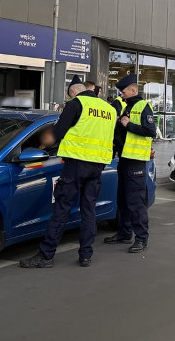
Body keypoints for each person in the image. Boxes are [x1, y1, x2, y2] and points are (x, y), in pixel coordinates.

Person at [20, 81, 116, 269]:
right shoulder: (109, 109)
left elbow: (58, 132)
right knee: (89, 209)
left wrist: (42, 144)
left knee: (62, 208)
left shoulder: (76, 104)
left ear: (73, 92)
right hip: (98, 165)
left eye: (69, 95)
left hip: (76, 164)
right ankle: (86, 255)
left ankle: (46, 255)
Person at [105, 74, 155, 252]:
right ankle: (124, 233)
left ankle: (141, 238)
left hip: (136, 161)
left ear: (133, 90)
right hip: (124, 159)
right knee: (123, 199)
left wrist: (128, 125)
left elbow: (151, 131)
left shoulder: (143, 106)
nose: (121, 94)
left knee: (136, 202)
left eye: (123, 91)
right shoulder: (127, 106)